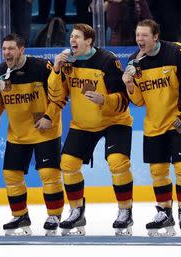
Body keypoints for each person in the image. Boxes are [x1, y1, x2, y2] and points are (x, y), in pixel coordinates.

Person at [48, 23, 134, 236]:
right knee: (67, 163)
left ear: (89, 41)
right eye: (71, 37)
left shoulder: (107, 61)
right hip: (83, 123)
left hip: (114, 120)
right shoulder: (67, 62)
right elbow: (56, 95)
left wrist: (104, 99)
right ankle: (77, 211)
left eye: (77, 37)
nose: (72, 40)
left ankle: (125, 211)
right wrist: (56, 70)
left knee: (117, 162)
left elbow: (124, 99)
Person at [121, 19, 181, 237]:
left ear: (156, 36)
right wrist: (129, 85)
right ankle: (164, 211)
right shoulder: (134, 62)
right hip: (154, 125)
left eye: (144, 35)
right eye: (137, 35)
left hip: (179, 121)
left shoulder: (176, 52)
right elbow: (138, 102)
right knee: (158, 173)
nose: (140, 40)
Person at [0, 33, 65, 236]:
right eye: (4, 49)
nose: (6, 53)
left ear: (22, 50)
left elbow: (60, 95)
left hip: (45, 131)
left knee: (49, 174)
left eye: (11, 48)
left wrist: (49, 117)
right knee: (11, 175)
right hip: (18, 134)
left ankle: (54, 215)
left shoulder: (41, 67)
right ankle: (20, 215)